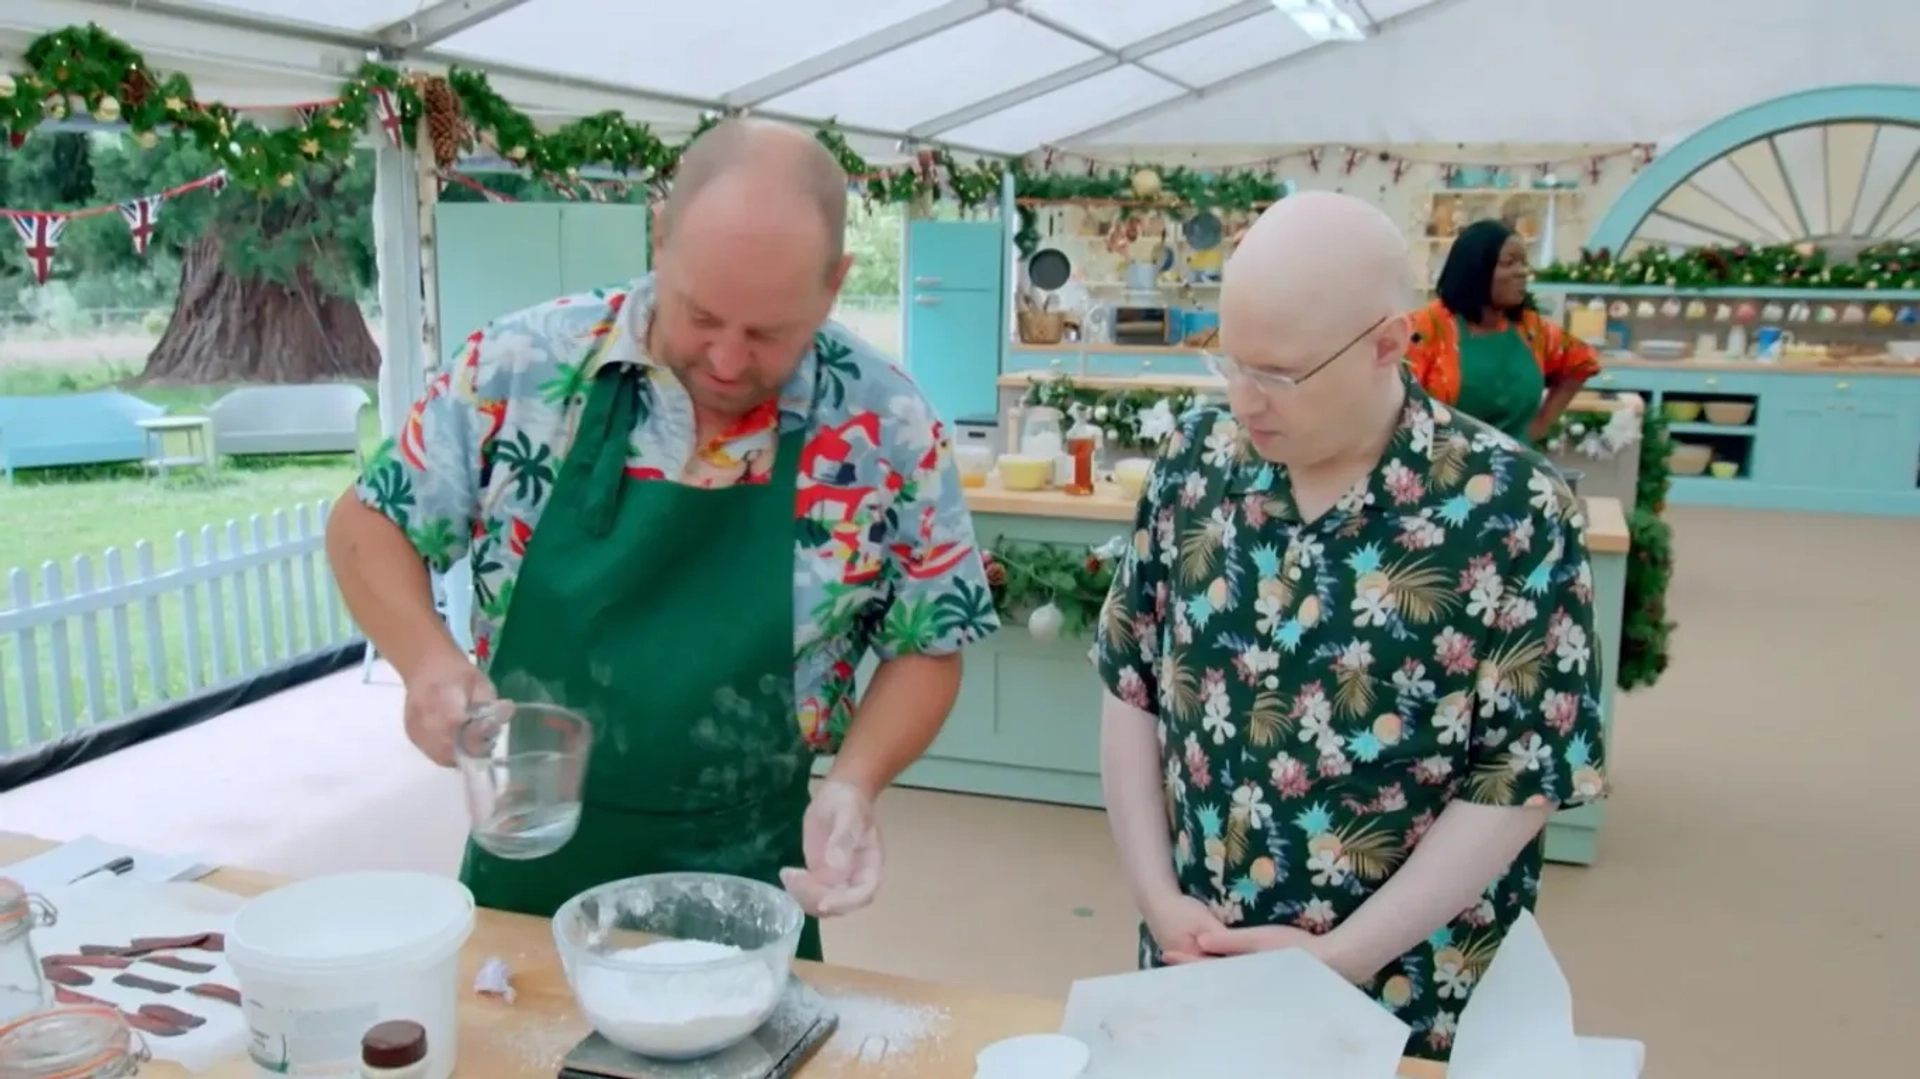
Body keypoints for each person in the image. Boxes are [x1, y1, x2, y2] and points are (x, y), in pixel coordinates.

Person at [325, 120, 998, 958]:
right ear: (659, 237)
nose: (724, 360)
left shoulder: (885, 425)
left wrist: (857, 784)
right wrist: (425, 661)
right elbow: (371, 519)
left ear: (834, 287)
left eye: (767, 334)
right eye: (702, 314)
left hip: (750, 882)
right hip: (530, 864)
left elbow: (931, 639)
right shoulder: (521, 367)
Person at [1093, 191, 1607, 1060]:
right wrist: (1154, 892)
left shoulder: (1511, 510)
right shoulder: (1195, 462)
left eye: (1281, 375)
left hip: (1409, 991)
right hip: (1195, 960)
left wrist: (1338, 956)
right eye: (1231, 364)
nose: (1247, 401)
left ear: (1388, 343)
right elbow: (1132, 683)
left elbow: (1521, 776)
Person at [1406, 218, 1600, 445]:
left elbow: (1583, 362)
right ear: (1476, 269)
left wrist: (1538, 426)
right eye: (1508, 263)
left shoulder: (1532, 330)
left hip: (1514, 470)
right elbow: (1392, 406)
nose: (1522, 272)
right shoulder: (1425, 330)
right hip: (1441, 471)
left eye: (1523, 263)